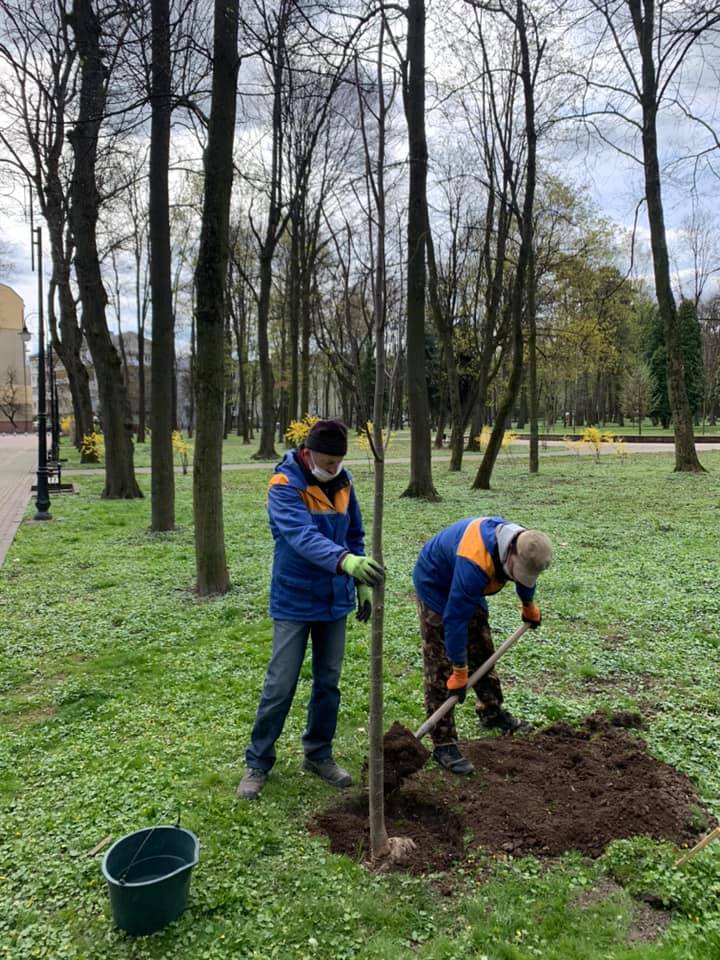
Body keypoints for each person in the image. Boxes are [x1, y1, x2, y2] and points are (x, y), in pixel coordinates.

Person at [237, 419, 383, 800]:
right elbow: (302, 537)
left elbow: (354, 534)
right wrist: (345, 562)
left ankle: (318, 754)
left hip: (334, 599)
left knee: (328, 683)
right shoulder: (284, 486)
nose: (333, 467)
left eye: (338, 461)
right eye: (327, 460)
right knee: (280, 684)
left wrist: (360, 582)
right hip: (294, 598)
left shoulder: (344, 482)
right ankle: (258, 762)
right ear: (308, 453)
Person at [413, 516, 552, 775]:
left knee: (482, 647)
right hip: (437, 584)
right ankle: (444, 743)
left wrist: (527, 604)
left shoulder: (525, 543)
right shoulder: (475, 562)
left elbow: (525, 577)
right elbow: (454, 619)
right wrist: (459, 669)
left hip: (468, 585)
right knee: (441, 666)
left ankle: (491, 711)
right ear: (509, 554)